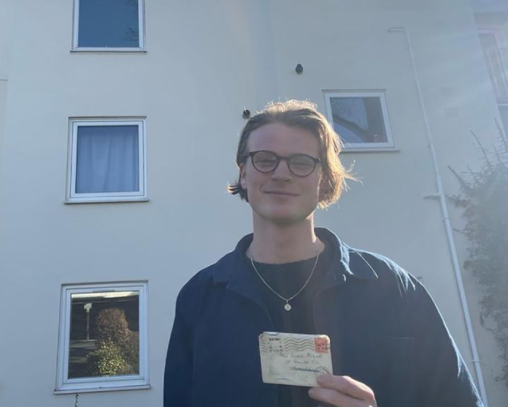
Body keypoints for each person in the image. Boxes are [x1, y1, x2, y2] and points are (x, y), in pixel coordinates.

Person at [163, 100, 483, 407]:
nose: (281, 173)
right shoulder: (199, 298)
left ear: (325, 179)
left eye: (302, 162)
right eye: (265, 159)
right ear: (244, 173)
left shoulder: (392, 288)